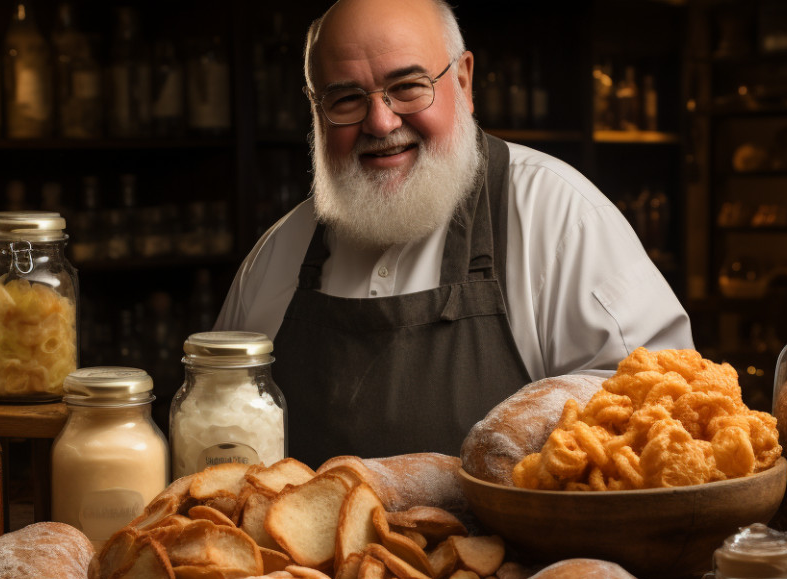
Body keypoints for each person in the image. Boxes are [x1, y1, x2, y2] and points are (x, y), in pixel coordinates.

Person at [215, 0, 692, 464]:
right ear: (316, 109)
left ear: (463, 81)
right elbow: (213, 435)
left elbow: (669, 413)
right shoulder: (276, 254)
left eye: (407, 87)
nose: (380, 122)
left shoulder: (561, 217)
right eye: (346, 98)